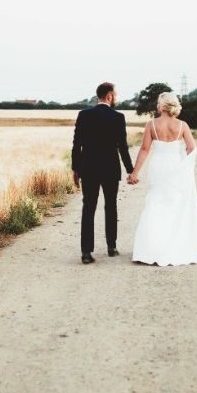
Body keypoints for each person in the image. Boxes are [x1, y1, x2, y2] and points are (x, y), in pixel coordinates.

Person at [129, 91, 197, 266]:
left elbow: (144, 150)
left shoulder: (151, 124)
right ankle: (175, 247)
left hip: (158, 167)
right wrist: (186, 167)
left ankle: (152, 249)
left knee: (155, 204)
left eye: (158, 103)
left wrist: (135, 173)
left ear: (162, 106)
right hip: (177, 167)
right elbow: (191, 149)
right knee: (176, 206)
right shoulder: (182, 125)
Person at [71, 82, 135, 264]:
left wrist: (75, 168)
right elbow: (122, 147)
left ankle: (86, 252)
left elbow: (77, 145)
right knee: (111, 206)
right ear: (109, 96)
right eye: (115, 94)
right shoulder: (118, 117)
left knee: (88, 208)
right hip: (110, 169)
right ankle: (111, 246)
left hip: (88, 168)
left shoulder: (83, 115)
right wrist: (130, 170)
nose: (116, 97)